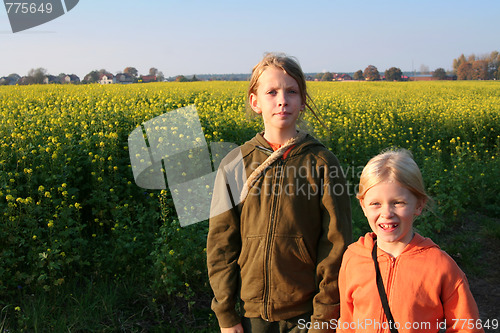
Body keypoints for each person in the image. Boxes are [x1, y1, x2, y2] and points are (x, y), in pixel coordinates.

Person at [207, 53, 352, 333]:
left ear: (302, 103)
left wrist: (325, 317)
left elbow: (336, 244)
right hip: (253, 314)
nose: (282, 99)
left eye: (292, 91)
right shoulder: (236, 163)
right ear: (255, 102)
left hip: (307, 314)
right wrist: (226, 314)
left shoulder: (321, 163)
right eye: (271, 92)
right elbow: (221, 244)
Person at [338, 149, 483, 333]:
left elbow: (467, 328)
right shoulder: (353, 258)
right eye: (376, 203)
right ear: (363, 206)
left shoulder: (440, 266)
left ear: (419, 205)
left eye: (398, 202)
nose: (386, 213)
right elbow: (347, 324)